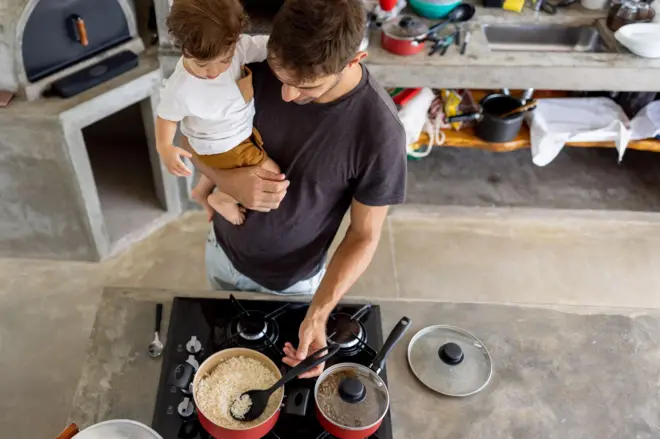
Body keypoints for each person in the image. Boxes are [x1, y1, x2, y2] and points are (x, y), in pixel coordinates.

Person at [184, 0, 407, 378]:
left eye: (306, 87)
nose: (286, 95)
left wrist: (318, 314)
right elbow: (193, 141)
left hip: (296, 283)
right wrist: (228, 181)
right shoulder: (249, 67)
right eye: (280, 77)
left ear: (355, 59)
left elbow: (364, 234)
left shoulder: (380, 133)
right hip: (222, 254)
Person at [155, 0, 279, 225]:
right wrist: (164, 147)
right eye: (202, 65)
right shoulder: (180, 86)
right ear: (183, 47)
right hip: (221, 145)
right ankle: (223, 198)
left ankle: (201, 191)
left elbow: (264, 46)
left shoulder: (237, 47)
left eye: (224, 61)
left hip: (229, 137)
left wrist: (289, 46)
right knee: (273, 174)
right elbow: (166, 117)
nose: (214, 71)